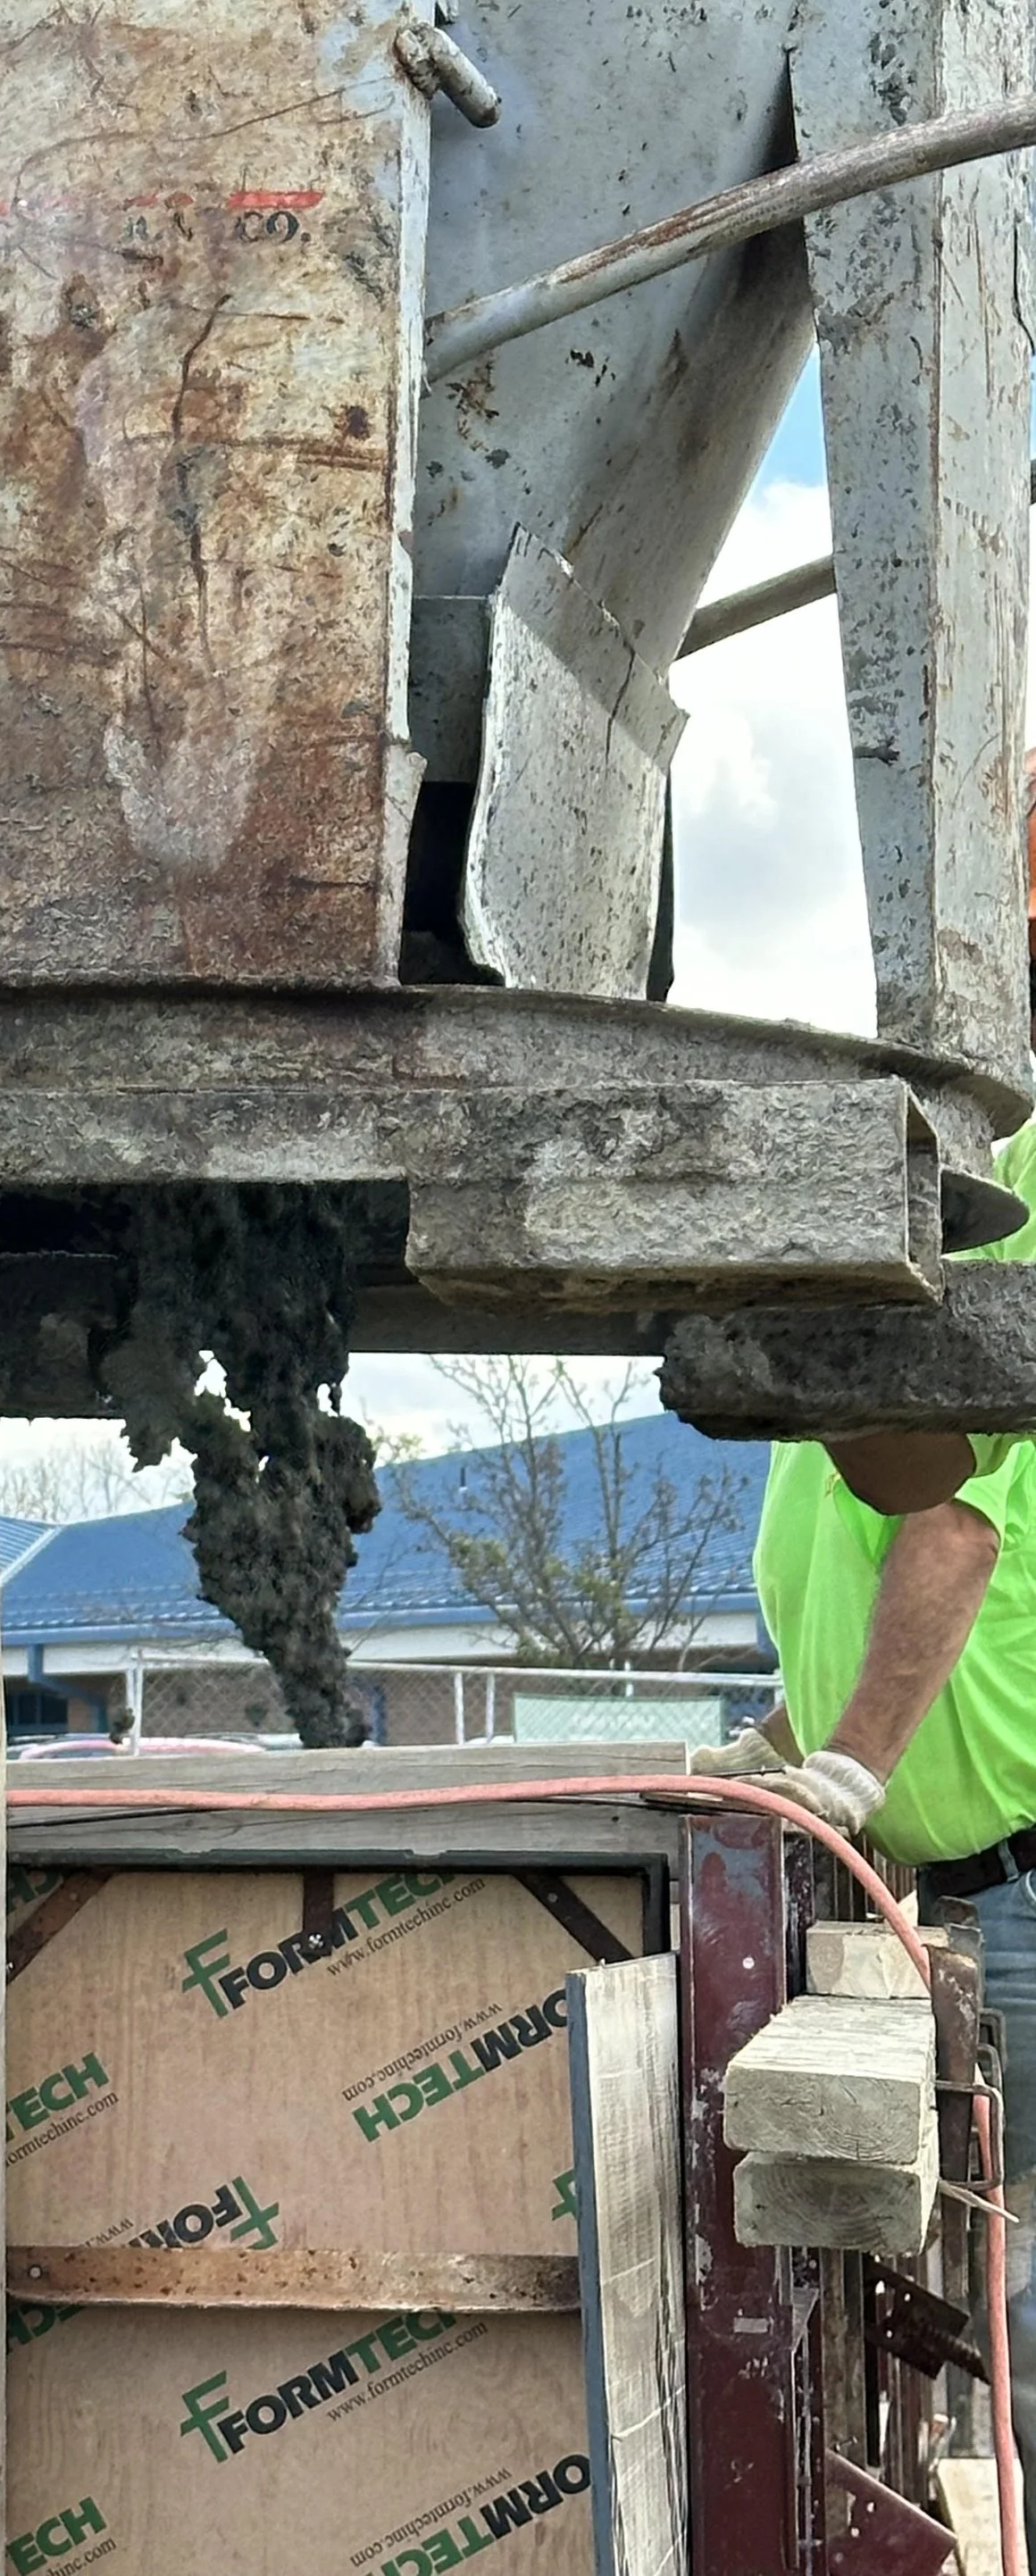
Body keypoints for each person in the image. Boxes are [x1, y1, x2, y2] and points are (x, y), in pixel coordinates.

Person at [699, 764, 1036, 2540]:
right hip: (914, 1867)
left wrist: (847, 1766)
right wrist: (779, 1745)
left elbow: (953, 1526)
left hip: (1008, 1883)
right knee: (915, 2270)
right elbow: (849, 1574)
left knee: (1006, 2286)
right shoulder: (856, 1269)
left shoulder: (1000, 1197)